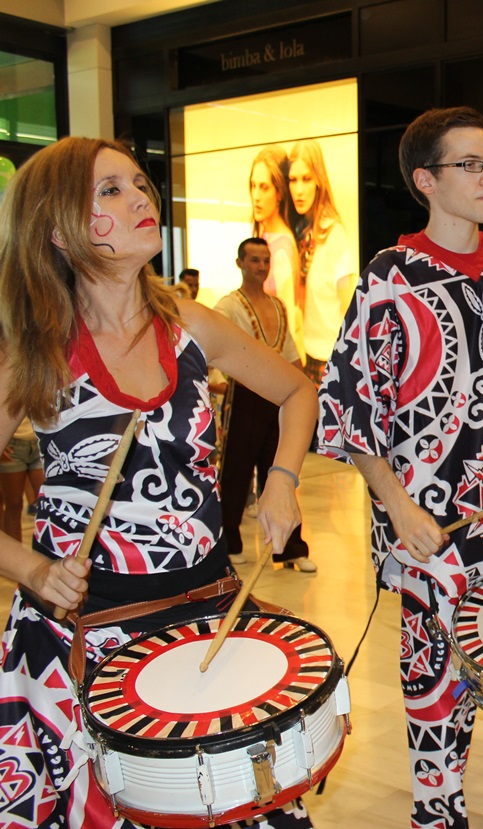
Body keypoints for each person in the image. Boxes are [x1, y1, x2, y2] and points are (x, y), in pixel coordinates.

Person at [0, 137, 318, 828]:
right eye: (110, 190)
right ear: (58, 229)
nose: (140, 197)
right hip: (85, 630)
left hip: (205, 608)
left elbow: (298, 391)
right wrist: (29, 566)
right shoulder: (34, 348)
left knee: (245, 801)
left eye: (139, 183)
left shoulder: (189, 326)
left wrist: (284, 480)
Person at [315, 106, 483, 829]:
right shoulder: (390, 279)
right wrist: (395, 504)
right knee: (435, 677)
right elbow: (351, 409)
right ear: (425, 180)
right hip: (434, 525)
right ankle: (437, 810)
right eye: (470, 164)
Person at [215, 238, 316, 572]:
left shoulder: (278, 306)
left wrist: (303, 390)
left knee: (282, 471)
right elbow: (217, 352)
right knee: (236, 473)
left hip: (278, 398)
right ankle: (229, 542)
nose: (260, 267)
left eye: (265, 260)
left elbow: (290, 355)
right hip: (243, 397)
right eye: (254, 260)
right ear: (240, 263)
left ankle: (289, 548)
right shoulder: (228, 306)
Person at [288, 139, 356, 382]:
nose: (298, 190)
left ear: (318, 180)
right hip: (304, 354)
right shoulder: (302, 233)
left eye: (306, 179)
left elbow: (350, 306)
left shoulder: (334, 235)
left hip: (328, 357)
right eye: (293, 180)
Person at [250, 145, 300, 330]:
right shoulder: (266, 236)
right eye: (253, 186)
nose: (256, 196)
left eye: (264, 187)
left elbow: (289, 323)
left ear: (278, 193)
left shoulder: (281, 248)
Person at [0, 416, 43, 539]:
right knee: (14, 505)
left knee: (44, 503)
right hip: (12, 446)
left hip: (38, 441)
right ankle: (10, 555)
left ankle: (45, 555)